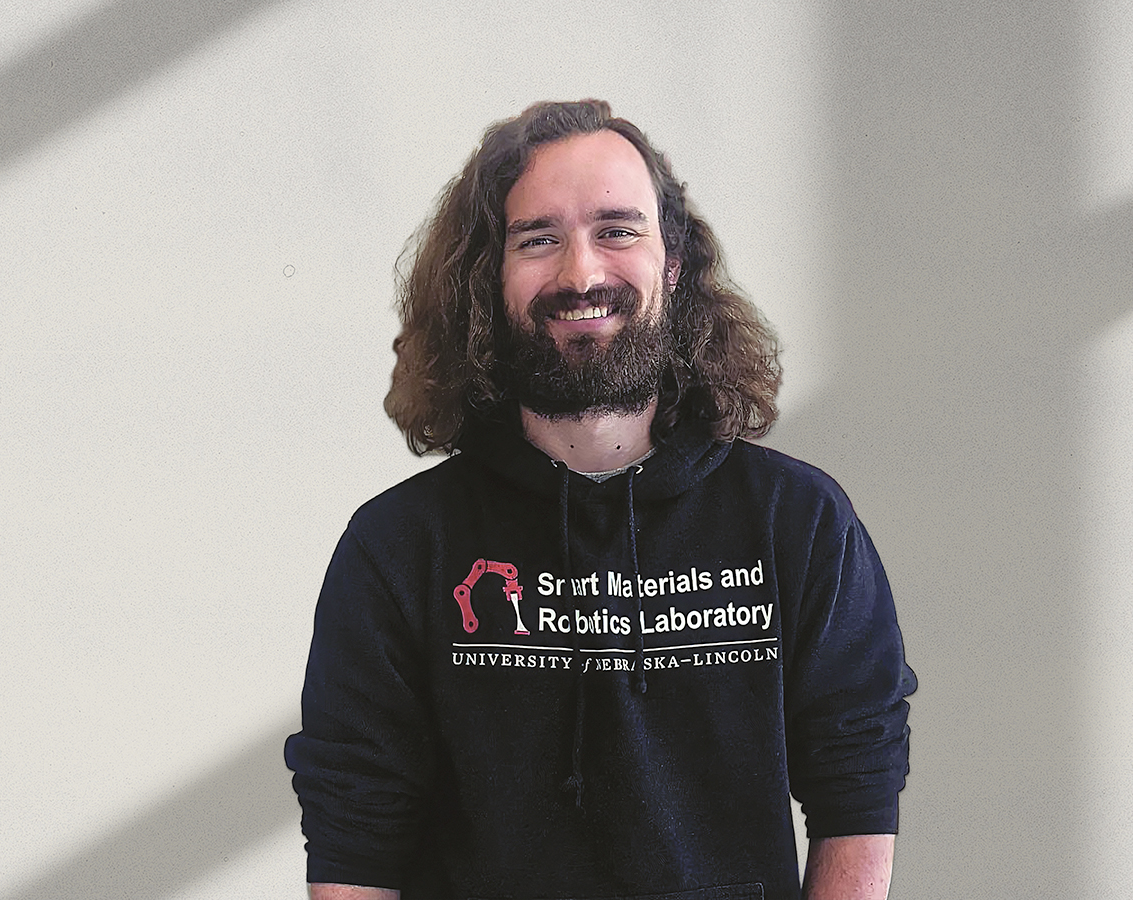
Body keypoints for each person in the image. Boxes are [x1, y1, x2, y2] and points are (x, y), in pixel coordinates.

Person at [284, 99, 915, 900]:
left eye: (617, 230)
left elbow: (857, 780)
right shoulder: (400, 546)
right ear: (489, 278)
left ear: (674, 263)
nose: (581, 275)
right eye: (538, 240)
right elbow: (353, 833)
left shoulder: (797, 521)